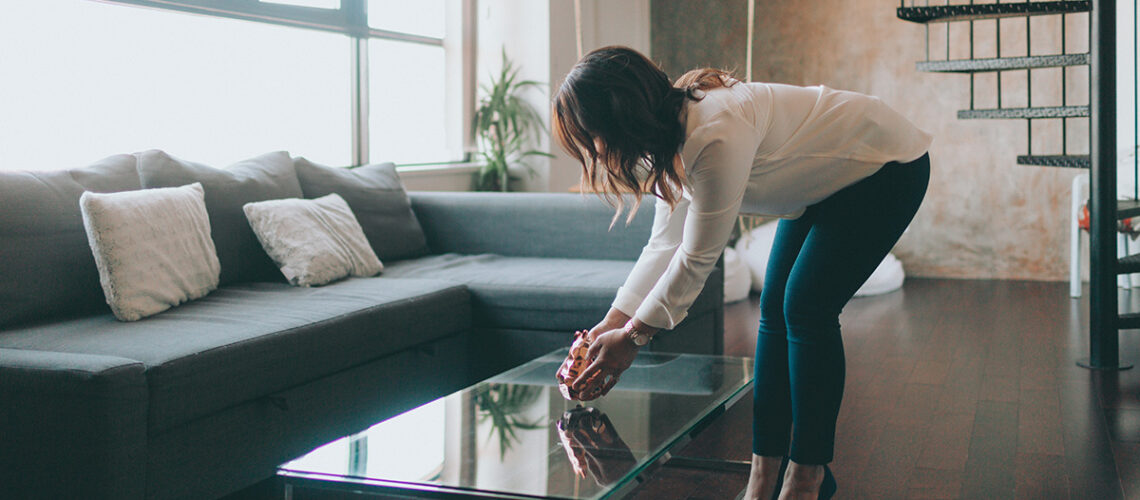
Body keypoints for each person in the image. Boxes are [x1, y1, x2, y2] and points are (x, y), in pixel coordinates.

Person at [553, 46, 931, 500]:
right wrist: (607, 327)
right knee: (774, 311)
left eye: (591, 135)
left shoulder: (712, 132)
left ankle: (808, 479)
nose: (594, 150)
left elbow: (696, 257)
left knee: (805, 308)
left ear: (621, 115)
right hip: (821, 181)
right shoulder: (664, 144)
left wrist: (633, 338)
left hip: (884, 164)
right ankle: (762, 478)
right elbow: (663, 245)